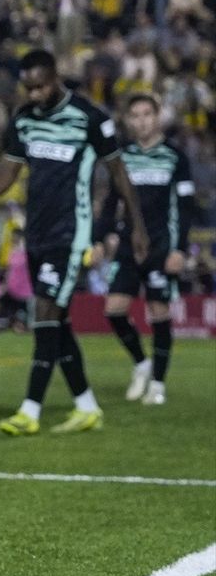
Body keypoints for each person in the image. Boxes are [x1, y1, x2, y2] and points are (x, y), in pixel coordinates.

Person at [0, 49, 149, 436]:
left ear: (56, 77)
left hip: (70, 232)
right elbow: (8, 172)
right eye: (28, 87)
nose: (35, 94)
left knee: (44, 312)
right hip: (37, 232)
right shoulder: (24, 119)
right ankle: (86, 406)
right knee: (55, 323)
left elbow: (118, 173)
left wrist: (138, 225)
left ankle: (30, 410)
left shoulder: (90, 118)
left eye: (41, 86)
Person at [98, 93, 196, 406]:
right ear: (127, 121)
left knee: (159, 312)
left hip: (161, 246)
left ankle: (157, 384)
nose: (141, 121)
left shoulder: (175, 157)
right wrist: (102, 238)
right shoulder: (122, 157)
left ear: (157, 118)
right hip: (128, 245)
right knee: (113, 310)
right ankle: (142, 364)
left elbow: (185, 207)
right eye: (135, 116)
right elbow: (111, 204)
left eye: (147, 114)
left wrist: (179, 249)